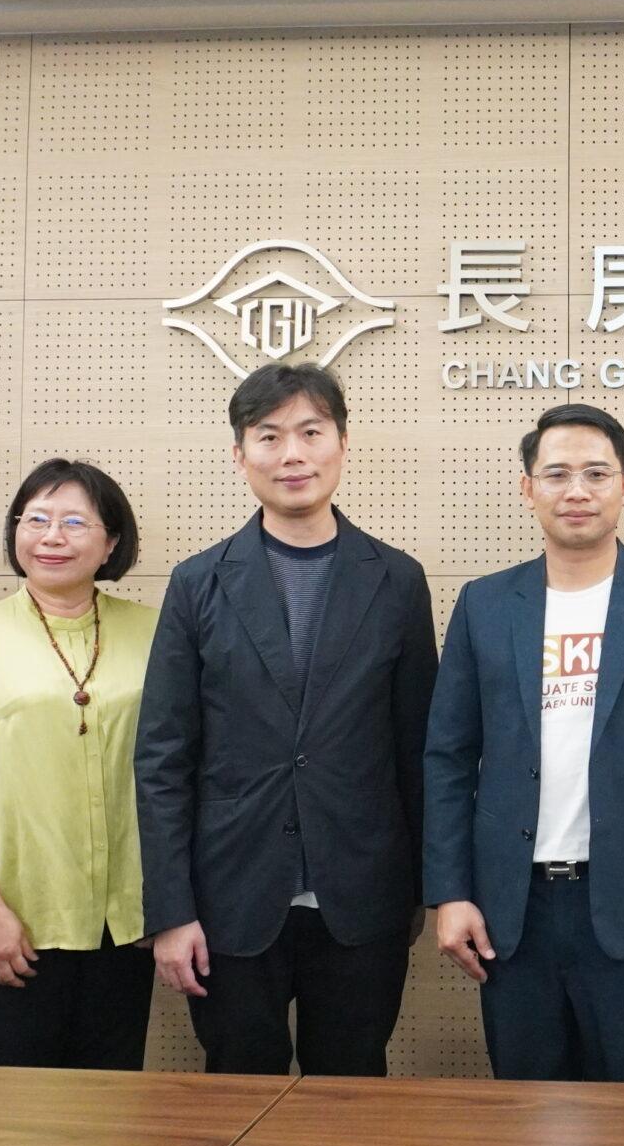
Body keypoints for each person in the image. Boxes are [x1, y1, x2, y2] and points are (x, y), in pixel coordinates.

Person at [134, 362, 438, 1076]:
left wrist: (429, 890)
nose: (292, 454)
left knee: (351, 1088)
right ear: (240, 455)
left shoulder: (396, 580)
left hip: (362, 895)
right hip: (229, 898)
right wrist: (171, 910)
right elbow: (163, 759)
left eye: (310, 432)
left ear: (343, 444)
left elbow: (419, 749)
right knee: (237, 1088)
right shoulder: (198, 582)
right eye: (269, 436)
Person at [423, 404, 624, 1082]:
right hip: (511, 908)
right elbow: (447, 759)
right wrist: (449, 893)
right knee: (524, 1105)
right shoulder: (484, 605)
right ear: (527, 488)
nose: (577, 491)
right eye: (557, 474)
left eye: (596, 473)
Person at [0, 460, 158, 1070]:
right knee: (12, 1113)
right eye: (36, 520)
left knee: (111, 1105)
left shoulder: (154, 633)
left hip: (126, 924)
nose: (52, 537)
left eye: (74, 522)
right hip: (11, 924)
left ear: (112, 542)